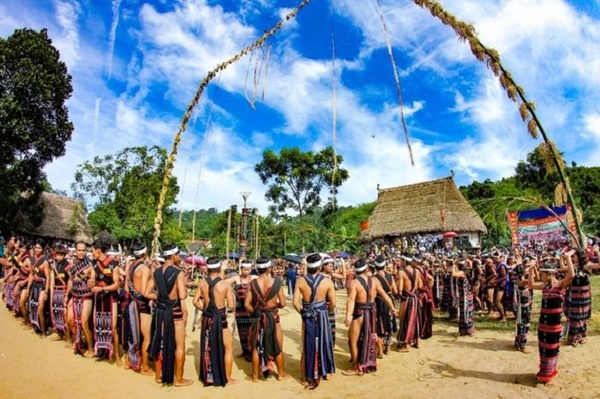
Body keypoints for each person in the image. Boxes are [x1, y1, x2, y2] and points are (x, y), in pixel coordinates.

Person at [146, 244, 193, 386]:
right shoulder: (178, 273)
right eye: (178, 255)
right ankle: (178, 379)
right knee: (179, 346)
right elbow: (183, 295)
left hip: (160, 311)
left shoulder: (157, 272)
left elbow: (147, 293)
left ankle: (159, 375)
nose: (179, 257)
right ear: (173, 256)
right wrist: (184, 285)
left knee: (159, 342)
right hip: (174, 312)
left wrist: (161, 299)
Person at [344, 258, 397, 376]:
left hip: (359, 314)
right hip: (372, 314)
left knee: (353, 340)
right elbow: (384, 295)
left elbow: (351, 299)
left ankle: (356, 367)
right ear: (366, 268)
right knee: (369, 338)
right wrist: (391, 307)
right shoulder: (374, 281)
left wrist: (348, 315)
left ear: (355, 270)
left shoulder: (354, 283)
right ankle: (367, 361)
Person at [529, 250, 574, 384]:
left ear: (549, 274)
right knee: (543, 348)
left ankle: (549, 374)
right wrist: (531, 269)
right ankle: (544, 372)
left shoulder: (560, 285)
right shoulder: (545, 286)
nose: (541, 276)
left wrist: (568, 258)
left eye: (542, 274)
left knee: (551, 349)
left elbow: (571, 274)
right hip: (543, 324)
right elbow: (530, 285)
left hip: (554, 326)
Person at [293, 253, 336, 389]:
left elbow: (295, 302)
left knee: (307, 345)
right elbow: (333, 303)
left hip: (308, 316)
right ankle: (326, 372)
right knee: (325, 342)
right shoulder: (327, 281)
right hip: (322, 315)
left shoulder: (300, 281)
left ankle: (306, 377)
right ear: (320, 266)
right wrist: (326, 312)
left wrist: (304, 313)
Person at [194, 257, 238, 387]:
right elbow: (231, 305)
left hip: (207, 318)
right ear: (219, 269)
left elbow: (195, 301)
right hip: (220, 319)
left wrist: (206, 310)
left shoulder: (202, 283)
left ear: (207, 269)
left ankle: (209, 375)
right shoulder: (225, 284)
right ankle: (227, 377)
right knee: (228, 348)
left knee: (208, 346)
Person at [244, 257, 288, 382]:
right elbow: (283, 303)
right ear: (269, 268)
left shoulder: (252, 284)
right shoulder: (277, 282)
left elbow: (247, 305)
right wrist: (274, 308)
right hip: (273, 318)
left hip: (258, 318)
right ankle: (280, 375)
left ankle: (255, 376)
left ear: (257, 269)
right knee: (278, 346)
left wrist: (257, 312)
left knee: (256, 347)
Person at [122, 242, 153, 374]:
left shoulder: (130, 266)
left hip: (131, 302)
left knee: (133, 334)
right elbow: (145, 291)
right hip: (141, 304)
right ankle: (145, 367)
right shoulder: (145, 269)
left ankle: (129, 361)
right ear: (145, 254)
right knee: (147, 337)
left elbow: (126, 288)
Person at [90, 238, 122, 365]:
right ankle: (101, 351)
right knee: (98, 325)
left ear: (98, 250)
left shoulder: (113, 264)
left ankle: (117, 355)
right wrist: (90, 284)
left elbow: (116, 284)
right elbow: (92, 280)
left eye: (92, 251)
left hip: (111, 298)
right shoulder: (94, 265)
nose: (92, 253)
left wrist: (102, 288)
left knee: (113, 327)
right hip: (99, 298)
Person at [66, 241, 94, 357]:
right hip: (75, 295)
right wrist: (67, 296)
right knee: (70, 320)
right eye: (79, 250)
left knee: (84, 323)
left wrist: (89, 278)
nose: (81, 253)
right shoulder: (72, 264)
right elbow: (71, 280)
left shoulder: (90, 265)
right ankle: (78, 342)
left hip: (86, 296)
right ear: (75, 251)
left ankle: (91, 348)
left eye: (83, 250)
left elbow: (91, 277)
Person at [372, 255, 398, 356]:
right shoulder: (390, 276)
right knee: (389, 323)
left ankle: (380, 351)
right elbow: (395, 291)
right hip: (389, 301)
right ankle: (388, 348)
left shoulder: (374, 279)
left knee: (380, 326)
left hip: (379, 302)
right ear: (384, 265)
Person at [396, 254, 421, 352]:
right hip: (414, 298)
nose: (400, 262)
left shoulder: (401, 272)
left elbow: (400, 289)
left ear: (405, 261)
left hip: (406, 299)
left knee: (404, 320)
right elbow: (417, 286)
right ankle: (414, 341)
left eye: (401, 260)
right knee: (413, 320)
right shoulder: (417, 272)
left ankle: (406, 344)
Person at [234, 259, 258, 362]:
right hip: (240, 311)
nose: (246, 271)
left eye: (248, 269)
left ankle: (253, 351)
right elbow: (222, 282)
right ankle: (244, 351)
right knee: (241, 332)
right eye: (244, 269)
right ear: (241, 269)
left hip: (251, 310)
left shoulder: (254, 278)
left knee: (251, 332)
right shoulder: (236, 278)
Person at [27, 239, 51, 335]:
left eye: (39, 248)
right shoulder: (32, 259)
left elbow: (48, 277)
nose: (37, 249)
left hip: (42, 287)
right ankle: (36, 326)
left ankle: (43, 331)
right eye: (36, 247)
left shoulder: (45, 261)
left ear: (43, 249)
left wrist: (46, 291)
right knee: (33, 307)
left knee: (40, 309)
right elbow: (31, 275)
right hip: (34, 286)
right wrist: (28, 288)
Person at [49, 244, 71, 342]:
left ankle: (67, 336)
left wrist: (67, 294)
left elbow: (70, 280)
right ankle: (59, 333)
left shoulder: (68, 265)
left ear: (64, 255)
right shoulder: (54, 265)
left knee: (65, 314)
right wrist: (51, 293)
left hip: (64, 291)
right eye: (57, 255)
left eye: (61, 255)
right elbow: (52, 280)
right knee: (56, 312)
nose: (59, 257)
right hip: (56, 292)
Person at [514, 256, 536, 353]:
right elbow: (533, 281)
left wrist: (532, 268)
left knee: (522, 325)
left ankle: (518, 342)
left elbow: (537, 277)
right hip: (523, 307)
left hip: (525, 306)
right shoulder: (522, 282)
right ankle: (522, 345)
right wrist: (532, 268)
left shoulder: (520, 280)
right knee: (524, 325)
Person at [451, 257, 474, 336]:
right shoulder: (464, 271)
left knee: (465, 312)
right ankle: (464, 330)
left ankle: (468, 330)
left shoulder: (462, 273)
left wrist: (454, 265)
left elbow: (454, 274)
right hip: (464, 296)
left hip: (465, 296)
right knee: (464, 312)